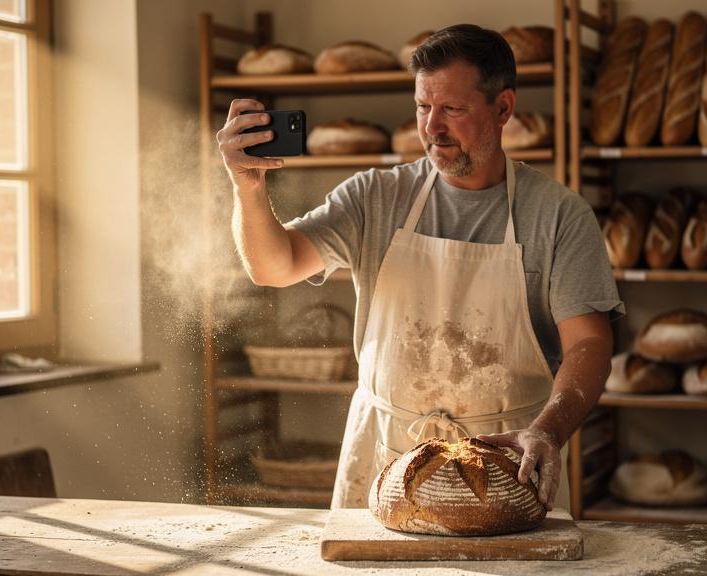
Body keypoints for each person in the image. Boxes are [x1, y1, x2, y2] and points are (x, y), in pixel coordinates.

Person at [216, 24, 623, 511]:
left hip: (508, 464)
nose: (431, 127)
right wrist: (248, 188)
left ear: (503, 108)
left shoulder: (558, 215)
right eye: (423, 107)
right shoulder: (374, 197)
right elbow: (274, 266)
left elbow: (589, 343)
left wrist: (547, 431)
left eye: (451, 109)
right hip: (386, 455)